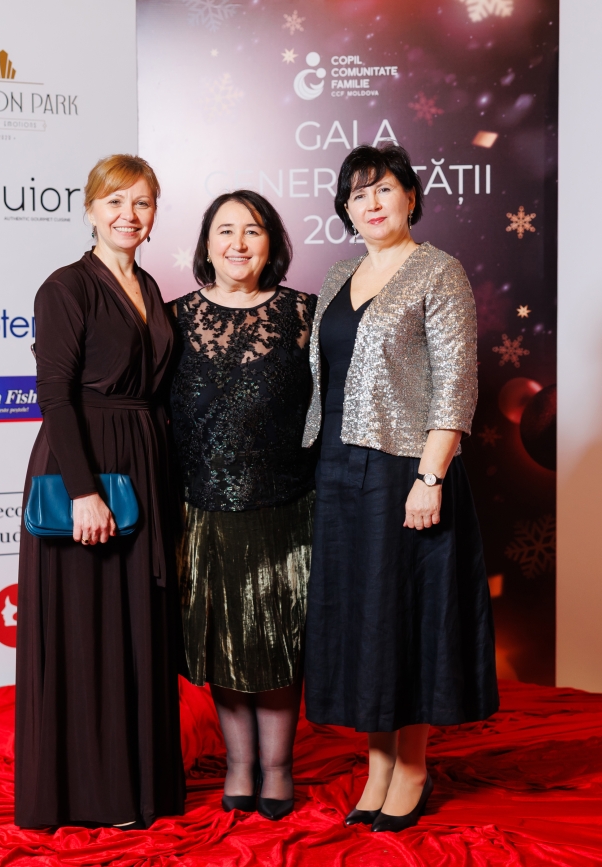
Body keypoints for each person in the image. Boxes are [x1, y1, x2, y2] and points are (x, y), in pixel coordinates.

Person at [301, 145, 498, 833]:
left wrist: (430, 476)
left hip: (404, 472)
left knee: (406, 616)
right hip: (336, 469)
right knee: (365, 620)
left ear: (411, 197)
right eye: (358, 194)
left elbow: (457, 385)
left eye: (384, 189)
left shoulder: (439, 271)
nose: (372, 203)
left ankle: (411, 765)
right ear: (346, 210)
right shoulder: (338, 275)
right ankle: (377, 761)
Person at [15, 154, 185, 829]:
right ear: (90, 209)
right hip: (83, 465)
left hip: (144, 463)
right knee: (88, 629)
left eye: (142, 203)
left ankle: (141, 786)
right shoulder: (66, 287)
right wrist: (82, 492)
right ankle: (91, 794)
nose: (129, 215)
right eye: (115, 202)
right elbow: (54, 395)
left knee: (136, 626)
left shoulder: (149, 285)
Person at [169, 191, 315, 822]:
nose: (238, 243)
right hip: (202, 509)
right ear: (206, 243)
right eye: (224, 231)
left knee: (277, 643)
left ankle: (278, 768)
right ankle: (238, 764)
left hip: (286, 508)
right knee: (224, 643)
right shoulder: (172, 319)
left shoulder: (306, 313)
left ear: (271, 242)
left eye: (252, 231)